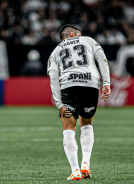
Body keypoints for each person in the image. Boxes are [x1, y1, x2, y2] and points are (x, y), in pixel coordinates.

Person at [47, 24, 111, 180]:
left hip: (68, 85)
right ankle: (86, 164)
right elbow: (101, 59)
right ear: (71, 34)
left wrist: (59, 104)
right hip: (90, 84)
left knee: (68, 128)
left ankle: (75, 170)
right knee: (87, 123)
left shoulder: (55, 52)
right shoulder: (88, 40)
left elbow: (53, 77)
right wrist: (106, 83)